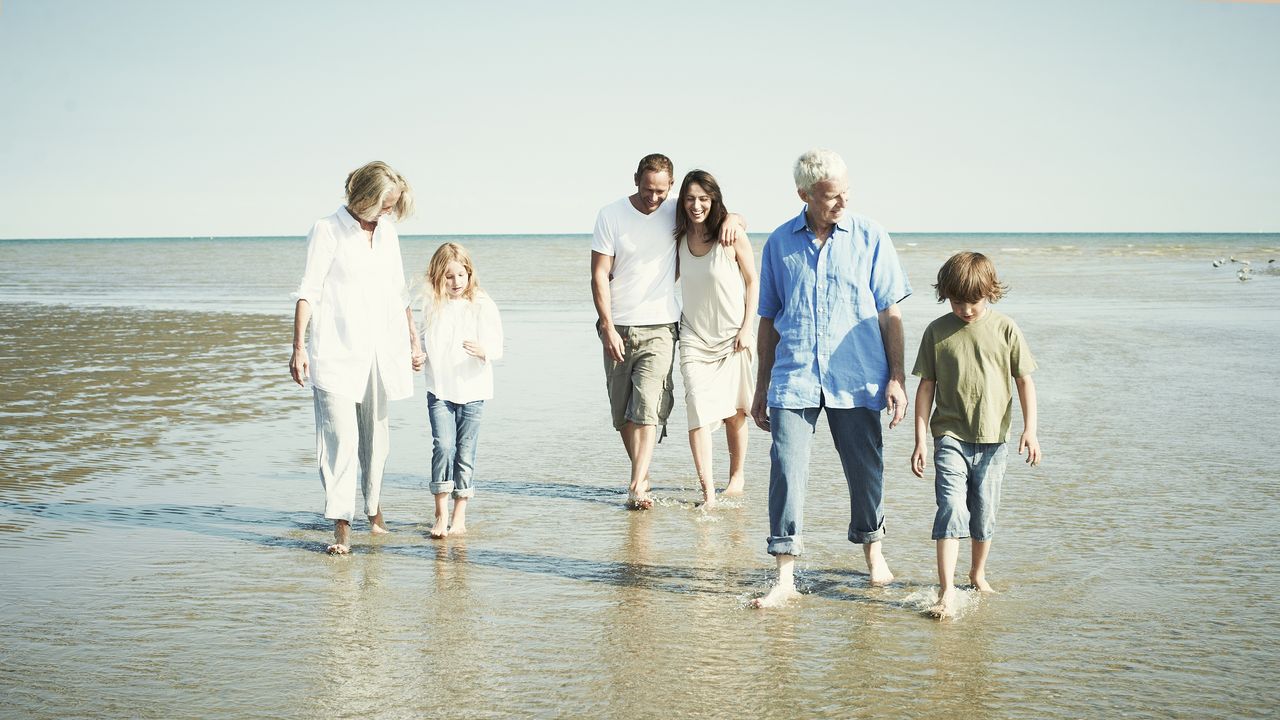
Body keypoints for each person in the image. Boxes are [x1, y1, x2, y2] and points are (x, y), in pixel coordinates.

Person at [749, 149, 911, 608]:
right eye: (830, 196)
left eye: (845, 193)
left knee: (866, 471)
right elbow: (767, 319)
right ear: (804, 195)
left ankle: (873, 553)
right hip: (794, 373)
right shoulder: (779, 243)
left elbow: (889, 312)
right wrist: (761, 386)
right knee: (786, 471)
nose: (841, 202)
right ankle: (784, 574)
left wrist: (897, 376)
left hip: (857, 375)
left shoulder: (871, 236)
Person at [590, 154, 745, 510]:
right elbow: (599, 274)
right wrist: (608, 325)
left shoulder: (676, 209)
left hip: (661, 323)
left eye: (661, 191)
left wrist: (736, 218)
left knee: (648, 405)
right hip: (618, 324)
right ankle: (640, 475)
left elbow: (719, 211)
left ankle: (637, 484)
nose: (654, 198)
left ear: (670, 187)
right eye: (648, 189)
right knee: (622, 414)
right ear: (635, 180)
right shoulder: (610, 215)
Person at [290, 161, 423, 555]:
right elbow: (308, 291)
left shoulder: (388, 234)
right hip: (335, 352)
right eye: (386, 203)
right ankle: (341, 529)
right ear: (364, 196)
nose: (389, 211)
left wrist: (414, 341)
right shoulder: (327, 230)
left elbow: (399, 294)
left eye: (394, 205)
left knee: (376, 441)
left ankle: (374, 510)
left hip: (381, 352)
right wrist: (298, 347)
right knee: (340, 442)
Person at [910, 251, 1041, 619]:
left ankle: (977, 573)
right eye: (956, 301)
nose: (965, 309)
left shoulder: (1006, 328)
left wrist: (1031, 431)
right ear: (945, 295)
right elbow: (925, 388)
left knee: (983, 512)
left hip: (993, 439)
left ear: (990, 293)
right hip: (949, 434)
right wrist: (920, 439)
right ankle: (947, 589)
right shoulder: (937, 331)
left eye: (974, 301)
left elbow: (1024, 381)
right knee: (951, 507)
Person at [673, 170, 758, 508]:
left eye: (704, 199)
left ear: (713, 201)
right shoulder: (677, 237)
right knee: (698, 409)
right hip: (694, 335)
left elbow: (753, 281)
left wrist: (747, 328)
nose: (697, 205)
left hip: (732, 336)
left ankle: (736, 477)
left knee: (735, 413)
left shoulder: (730, 234)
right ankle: (708, 492)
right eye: (690, 199)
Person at [418, 242, 503, 539]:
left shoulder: (481, 303)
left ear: (469, 274)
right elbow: (421, 343)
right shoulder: (432, 305)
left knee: (465, 453)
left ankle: (459, 517)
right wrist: (416, 357)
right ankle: (440, 515)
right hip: (439, 389)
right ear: (438, 276)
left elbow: (497, 344)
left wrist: (484, 350)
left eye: (460, 275)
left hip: (474, 389)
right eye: (448, 277)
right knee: (443, 446)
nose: (455, 283)